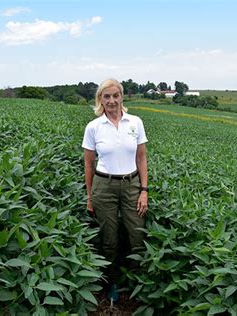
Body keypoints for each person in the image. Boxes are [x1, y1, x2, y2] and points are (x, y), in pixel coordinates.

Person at [82, 78, 148, 303]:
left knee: (138, 236)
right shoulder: (94, 127)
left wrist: (144, 190)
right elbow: (89, 165)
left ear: (122, 97)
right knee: (109, 240)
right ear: (100, 99)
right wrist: (90, 197)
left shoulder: (135, 122)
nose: (111, 101)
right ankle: (110, 283)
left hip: (131, 185)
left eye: (115, 96)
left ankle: (135, 282)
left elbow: (141, 158)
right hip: (104, 186)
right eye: (106, 96)